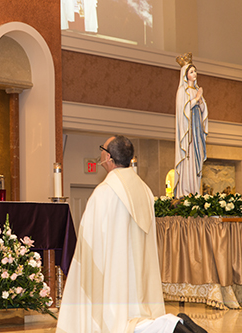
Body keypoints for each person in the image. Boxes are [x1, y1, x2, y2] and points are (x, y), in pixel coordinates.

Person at [57, 135, 207, 333]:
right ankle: (171, 325)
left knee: (117, 321)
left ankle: (172, 325)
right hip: (139, 272)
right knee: (138, 314)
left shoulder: (104, 191)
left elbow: (89, 241)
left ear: (108, 157)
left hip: (113, 272)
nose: (100, 152)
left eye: (102, 148)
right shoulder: (144, 189)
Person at [174, 52, 208, 198]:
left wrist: (200, 101)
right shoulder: (182, 91)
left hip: (197, 131)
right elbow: (183, 110)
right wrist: (197, 99)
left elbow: (203, 111)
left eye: (195, 71)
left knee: (197, 157)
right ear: (185, 75)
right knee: (188, 158)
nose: (195, 74)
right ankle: (186, 191)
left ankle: (195, 190)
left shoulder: (196, 91)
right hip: (187, 133)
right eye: (192, 71)